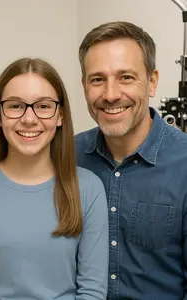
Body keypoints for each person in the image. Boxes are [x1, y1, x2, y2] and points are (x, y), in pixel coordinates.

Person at [0, 57, 108, 299]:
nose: (29, 118)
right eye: (15, 106)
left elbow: (92, 292)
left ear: (60, 116)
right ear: (0, 116)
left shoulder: (88, 188)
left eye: (43, 106)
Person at [76, 20, 187, 299]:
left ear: (152, 81)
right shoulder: (65, 155)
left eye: (126, 77)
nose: (111, 95)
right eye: (97, 79)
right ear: (84, 85)